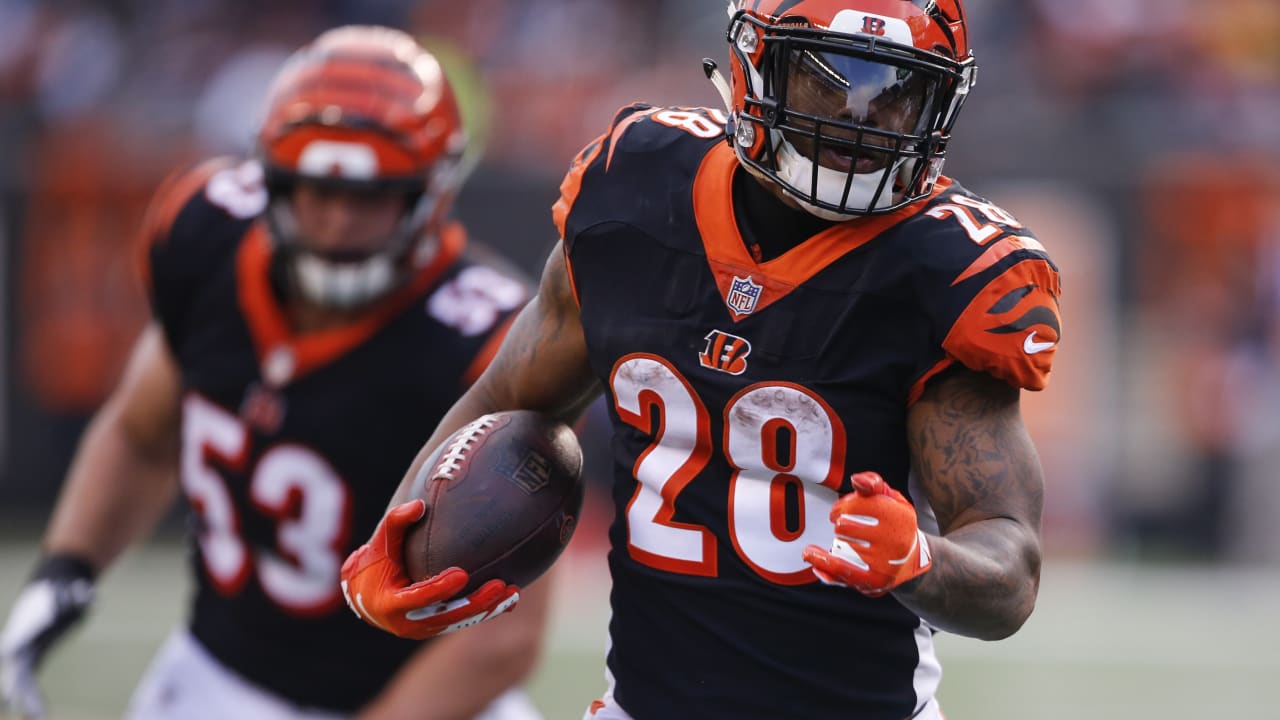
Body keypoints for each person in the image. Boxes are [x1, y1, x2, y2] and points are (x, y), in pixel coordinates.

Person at [340, 2, 1062, 719]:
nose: (864, 116)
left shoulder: (944, 272)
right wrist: (395, 541)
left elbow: (1010, 564)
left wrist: (922, 561)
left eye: (897, 91)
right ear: (755, 66)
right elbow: (508, 398)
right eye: (831, 80)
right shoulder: (636, 192)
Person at [0, 25, 550, 720]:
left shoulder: (479, 338)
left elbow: (503, 639)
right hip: (224, 678)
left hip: (421, 697)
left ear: (430, 192)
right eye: (315, 191)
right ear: (269, 179)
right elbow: (143, 433)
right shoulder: (207, 236)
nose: (337, 222)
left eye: (369, 198)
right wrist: (68, 566)